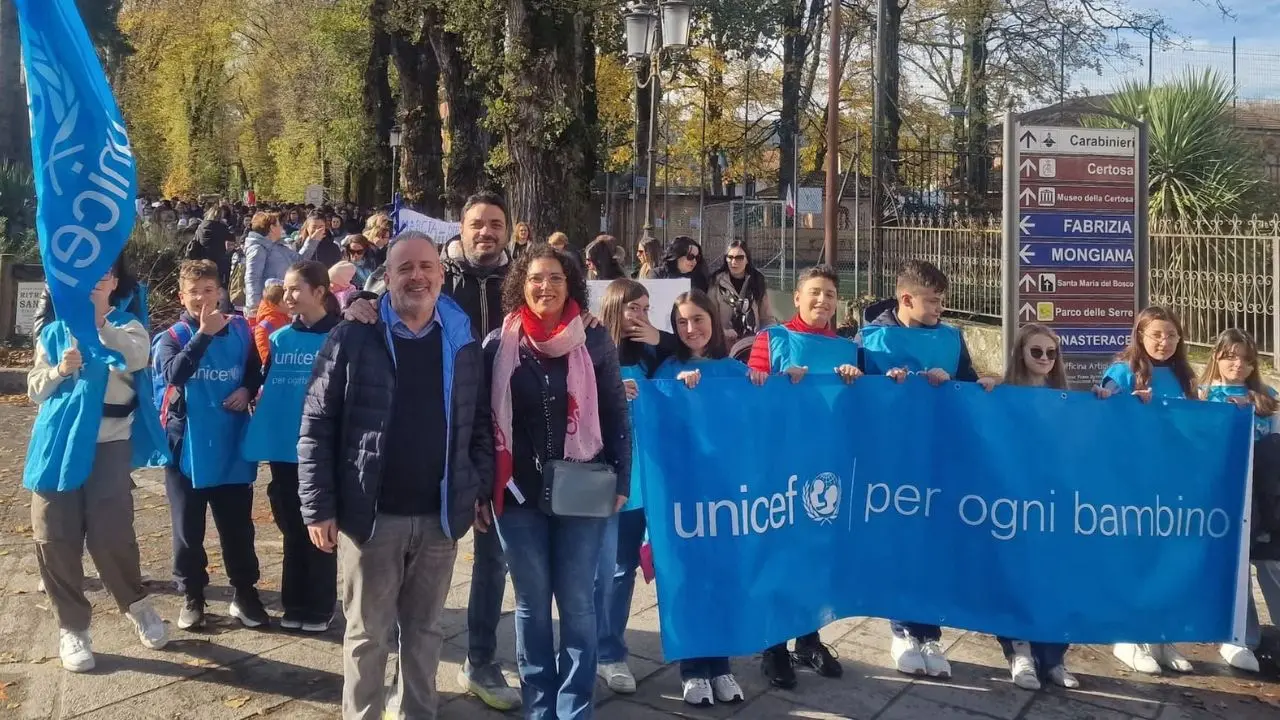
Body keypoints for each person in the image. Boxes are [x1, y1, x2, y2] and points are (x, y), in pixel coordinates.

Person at [299, 231, 492, 720]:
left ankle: (415, 714)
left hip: (439, 518)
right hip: (372, 516)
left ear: (442, 275)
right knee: (367, 635)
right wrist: (318, 505)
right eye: (405, 267)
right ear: (386, 277)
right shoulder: (354, 334)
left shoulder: (461, 337)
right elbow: (316, 423)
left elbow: (479, 420)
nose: (417, 276)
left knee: (425, 633)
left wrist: (478, 485)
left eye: (427, 267)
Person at [343, 193, 521, 711]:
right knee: (391, 602)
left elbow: (562, 303)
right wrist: (358, 302)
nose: (486, 232)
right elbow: (383, 300)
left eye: (495, 224)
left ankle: (482, 660)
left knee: (493, 559)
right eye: (476, 224)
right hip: (440, 431)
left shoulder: (521, 279)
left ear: (507, 230)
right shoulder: (435, 274)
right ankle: (393, 686)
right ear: (459, 231)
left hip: (498, 431)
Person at [483, 244, 631, 719]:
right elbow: (481, 424)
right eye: (534, 278)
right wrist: (485, 485)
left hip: (583, 490)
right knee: (530, 605)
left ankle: (574, 707)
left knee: (578, 603)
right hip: (517, 495)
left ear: (571, 284)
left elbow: (614, 412)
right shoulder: (498, 344)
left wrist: (622, 479)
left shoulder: (593, 339)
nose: (544, 287)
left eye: (555, 278)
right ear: (520, 286)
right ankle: (539, 705)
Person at [24, 258, 170, 673]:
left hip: (110, 442)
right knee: (53, 534)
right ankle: (72, 626)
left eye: (103, 274)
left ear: (115, 281)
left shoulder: (128, 326)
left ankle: (136, 604)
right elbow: (35, 388)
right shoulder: (55, 331)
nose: (94, 281)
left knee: (111, 533)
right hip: (56, 443)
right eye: (86, 275)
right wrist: (57, 370)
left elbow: (136, 358)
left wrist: (96, 326)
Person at [855, 259, 978, 680]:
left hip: (937, 455)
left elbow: (971, 388)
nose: (940, 307)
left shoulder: (951, 339)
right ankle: (902, 631)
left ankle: (930, 633)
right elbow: (851, 388)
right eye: (933, 300)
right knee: (898, 539)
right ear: (906, 298)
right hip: (888, 458)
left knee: (931, 543)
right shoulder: (871, 340)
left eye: (942, 300)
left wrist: (961, 383)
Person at [746, 264, 858, 689]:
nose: (822, 301)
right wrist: (778, 383)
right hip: (779, 466)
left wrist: (855, 383)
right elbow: (752, 393)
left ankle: (808, 639)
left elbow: (857, 409)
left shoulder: (848, 350)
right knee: (779, 551)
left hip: (827, 466)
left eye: (830, 294)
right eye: (814, 293)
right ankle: (773, 645)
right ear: (795, 297)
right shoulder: (772, 339)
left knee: (817, 552)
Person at [986, 323, 1105, 690]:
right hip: (1013, 502)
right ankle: (1019, 654)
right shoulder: (1004, 393)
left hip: (1055, 504)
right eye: (1036, 352)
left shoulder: (1067, 399)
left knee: (1055, 576)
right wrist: (984, 390)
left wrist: (1103, 401)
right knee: (1015, 575)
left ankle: (1053, 658)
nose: (1044, 359)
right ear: (1021, 353)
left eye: (1051, 353)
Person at [153, 260, 268, 631]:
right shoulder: (171, 336)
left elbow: (255, 369)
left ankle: (245, 593)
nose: (202, 298)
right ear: (181, 296)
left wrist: (246, 389)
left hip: (231, 441)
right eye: (193, 292)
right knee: (188, 530)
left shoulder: (240, 330)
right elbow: (175, 374)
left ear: (220, 292)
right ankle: (193, 595)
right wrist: (202, 334)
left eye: (208, 290)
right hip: (186, 446)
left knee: (238, 527)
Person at [652, 290, 753, 707]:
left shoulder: (733, 371)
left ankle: (721, 666)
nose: (691, 329)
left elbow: (753, 421)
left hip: (727, 494)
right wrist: (675, 392)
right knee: (689, 578)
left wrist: (777, 383)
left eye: (698, 320)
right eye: (681, 323)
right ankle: (693, 669)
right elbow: (657, 423)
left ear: (713, 321)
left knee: (724, 577)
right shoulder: (668, 369)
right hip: (685, 495)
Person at [242, 262, 341, 633]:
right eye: (285, 289)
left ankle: (320, 604)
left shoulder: (340, 335)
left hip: (320, 449)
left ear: (320, 291)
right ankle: (294, 601)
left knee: (319, 526)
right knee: (292, 526)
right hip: (284, 448)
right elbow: (263, 382)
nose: (288, 296)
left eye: (296, 289)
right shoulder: (281, 339)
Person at [595, 279, 678, 696]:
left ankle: (610, 650)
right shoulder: (593, 347)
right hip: (607, 477)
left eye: (647, 308)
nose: (641, 316)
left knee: (623, 567)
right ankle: (603, 652)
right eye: (633, 309)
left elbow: (696, 349)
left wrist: (660, 337)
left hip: (647, 477)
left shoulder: (651, 351)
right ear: (614, 308)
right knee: (606, 569)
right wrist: (609, 392)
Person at [1199, 328, 1280, 674]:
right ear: (1216, 356)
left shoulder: (1267, 396)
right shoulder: (1202, 395)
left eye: (1247, 359)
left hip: (1262, 494)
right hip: (1220, 492)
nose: (1238, 364)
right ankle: (1240, 635)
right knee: (1234, 563)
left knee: (1270, 563)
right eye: (1230, 356)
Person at [707, 240, 775, 343]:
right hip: (723, 344)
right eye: (730, 257)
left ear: (747, 260)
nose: (734, 262)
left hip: (752, 343)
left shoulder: (757, 281)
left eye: (739, 258)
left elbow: (767, 318)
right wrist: (723, 332)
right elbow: (708, 316)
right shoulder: (716, 283)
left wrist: (767, 337)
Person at [244, 211, 300, 322]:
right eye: (279, 225)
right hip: (268, 306)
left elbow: (300, 260)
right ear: (272, 228)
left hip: (281, 304)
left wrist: (312, 240)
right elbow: (252, 278)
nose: (282, 228)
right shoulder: (258, 248)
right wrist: (254, 307)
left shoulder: (279, 246)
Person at [252, 280, 289, 364]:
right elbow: (266, 360)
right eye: (285, 301)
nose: (290, 303)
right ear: (277, 304)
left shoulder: (288, 318)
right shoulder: (264, 327)